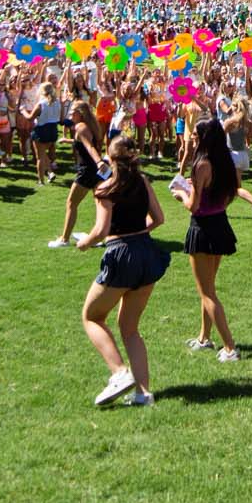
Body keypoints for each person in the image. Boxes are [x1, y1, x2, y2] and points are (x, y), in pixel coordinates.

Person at [75, 134, 167, 408]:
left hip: (120, 255)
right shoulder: (143, 182)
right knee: (130, 328)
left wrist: (84, 243)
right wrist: (139, 233)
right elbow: (159, 219)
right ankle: (143, 394)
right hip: (147, 253)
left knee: (92, 316)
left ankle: (119, 373)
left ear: (110, 158)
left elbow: (101, 231)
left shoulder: (105, 189)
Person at [175, 113, 242, 361]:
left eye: (195, 134)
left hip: (202, 228)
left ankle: (229, 347)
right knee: (209, 287)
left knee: (207, 292)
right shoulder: (226, 160)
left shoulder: (201, 164)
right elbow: (234, 191)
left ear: (204, 137)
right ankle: (204, 337)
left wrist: (180, 194)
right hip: (220, 224)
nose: (191, 137)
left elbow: (192, 206)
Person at [49, 100, 105, 248]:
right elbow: (84, 142)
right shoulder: (91, 126)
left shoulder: (80, 127)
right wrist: (68, 140)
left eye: (72, 111)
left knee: (71, 203)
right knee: (99, 204)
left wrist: (99, 162)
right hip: (95, 171)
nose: (69, 114)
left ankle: (64, 239)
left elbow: (89, 147)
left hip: (87, 170)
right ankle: (96, 237)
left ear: (80, 114)